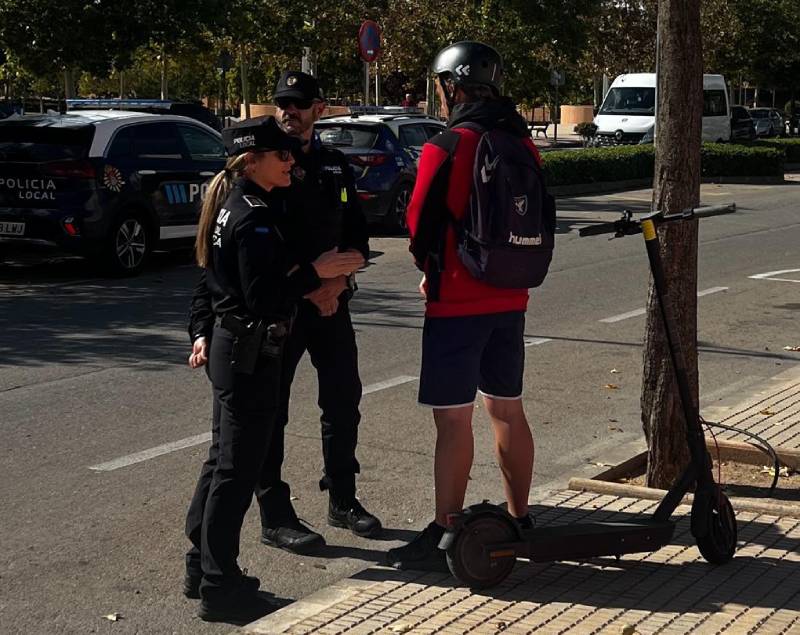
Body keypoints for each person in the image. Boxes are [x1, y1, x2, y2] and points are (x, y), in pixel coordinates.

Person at [188, 71, 381, 559]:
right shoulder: (258, 177)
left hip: (330, 303)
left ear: (319, 108)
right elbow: (220, 264)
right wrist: (202, 327)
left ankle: (342, 497)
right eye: (281, 104)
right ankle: (275, 514)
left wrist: (333, 284)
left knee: (343, 400)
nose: (287, 111)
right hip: (278, 312)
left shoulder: (333, 166)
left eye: (297, 104)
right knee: (266, 416)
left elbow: (358, 240)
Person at [386, 42, 539, 571]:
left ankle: (446, 530)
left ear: (452, 86)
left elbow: (417, 223)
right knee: (507, 409)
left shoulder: (448, 145)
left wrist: (431, 271)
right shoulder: (521, 141)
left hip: (456, 301)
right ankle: (521, 517)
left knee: (453, 421)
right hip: (511, 297)